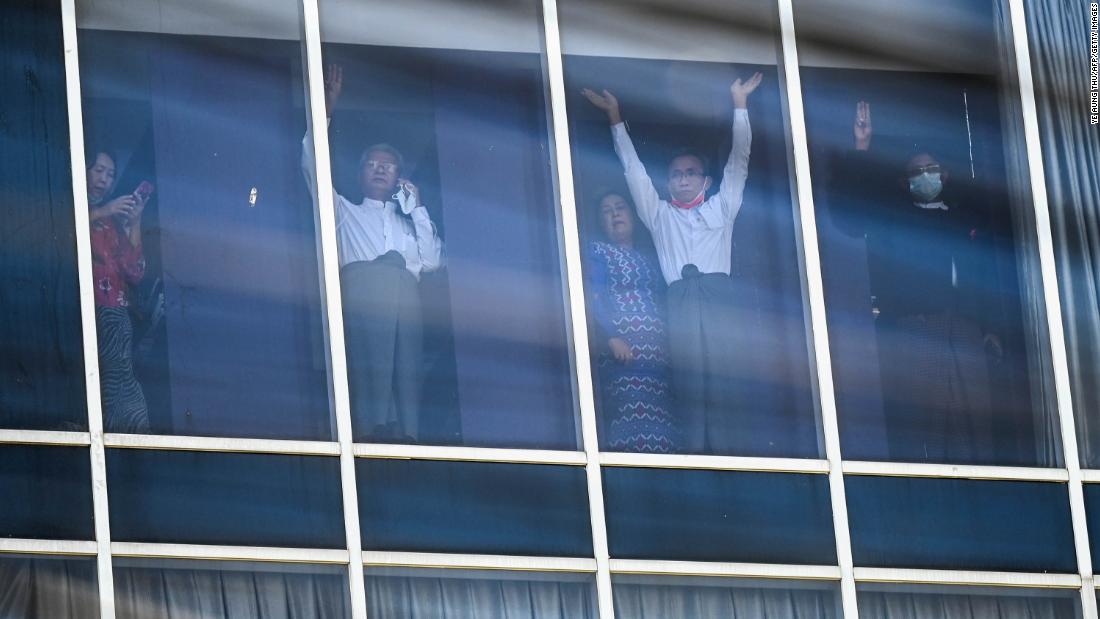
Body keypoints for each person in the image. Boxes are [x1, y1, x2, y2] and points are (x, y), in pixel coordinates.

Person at [582, 73, 763, 454]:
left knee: (728, 385)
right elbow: (633, 171)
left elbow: (739, 162)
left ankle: (735, 460)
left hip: (719, 301)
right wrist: (615, 118)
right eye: (677, 174)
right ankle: (698, 458)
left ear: (706, 181)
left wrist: (740, 106)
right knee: (691, 389)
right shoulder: (659, 215)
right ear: (668, 182)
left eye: (691, 173)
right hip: (679, 304)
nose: (682, 179)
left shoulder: (722, 207)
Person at [828, 100, 1001, 463]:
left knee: (974, 426)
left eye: (932, 169)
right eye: (917, 172)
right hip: (915, 326)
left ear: (946, 176)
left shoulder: (962, 222)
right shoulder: (894, 221)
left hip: (965, 330)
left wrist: (988, 327)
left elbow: (981, 282)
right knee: (927, 426)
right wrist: (862, 146)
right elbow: (850, 217)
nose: (925, 176)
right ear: (906, 182)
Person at [302, 64, 443, 442]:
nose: (380, 170)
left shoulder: (409, 222)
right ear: (361, 173)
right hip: (365, 301)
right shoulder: (344, 211)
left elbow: (431, 262)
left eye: (389, 166)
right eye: (373, 165)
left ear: (399, 176)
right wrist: (326, 110)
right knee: (367, 380)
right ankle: (370, 434)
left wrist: (419, 210)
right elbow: (313, 167)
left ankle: (406, 435)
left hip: (406, 306)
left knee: (406, 375)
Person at [586, 191, 678, 453]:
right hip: (624, 365)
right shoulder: (599, 252)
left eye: (620, 207)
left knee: (663, 440)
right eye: (606, 211)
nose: (615, 214)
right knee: (632, 440)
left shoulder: (653, 258)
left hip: (659, 370)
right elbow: (595, 294)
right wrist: (611, 335)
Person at [87, 149, 151, 433]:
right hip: (92, 314)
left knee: (128, 398)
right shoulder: (72, 206)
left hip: (119, 317)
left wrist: (134, 221)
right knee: (108, 393)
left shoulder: (113, 222)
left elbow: (136, 272)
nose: (104, 179)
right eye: (99, 170)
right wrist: (104, 210)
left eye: (110, 174)